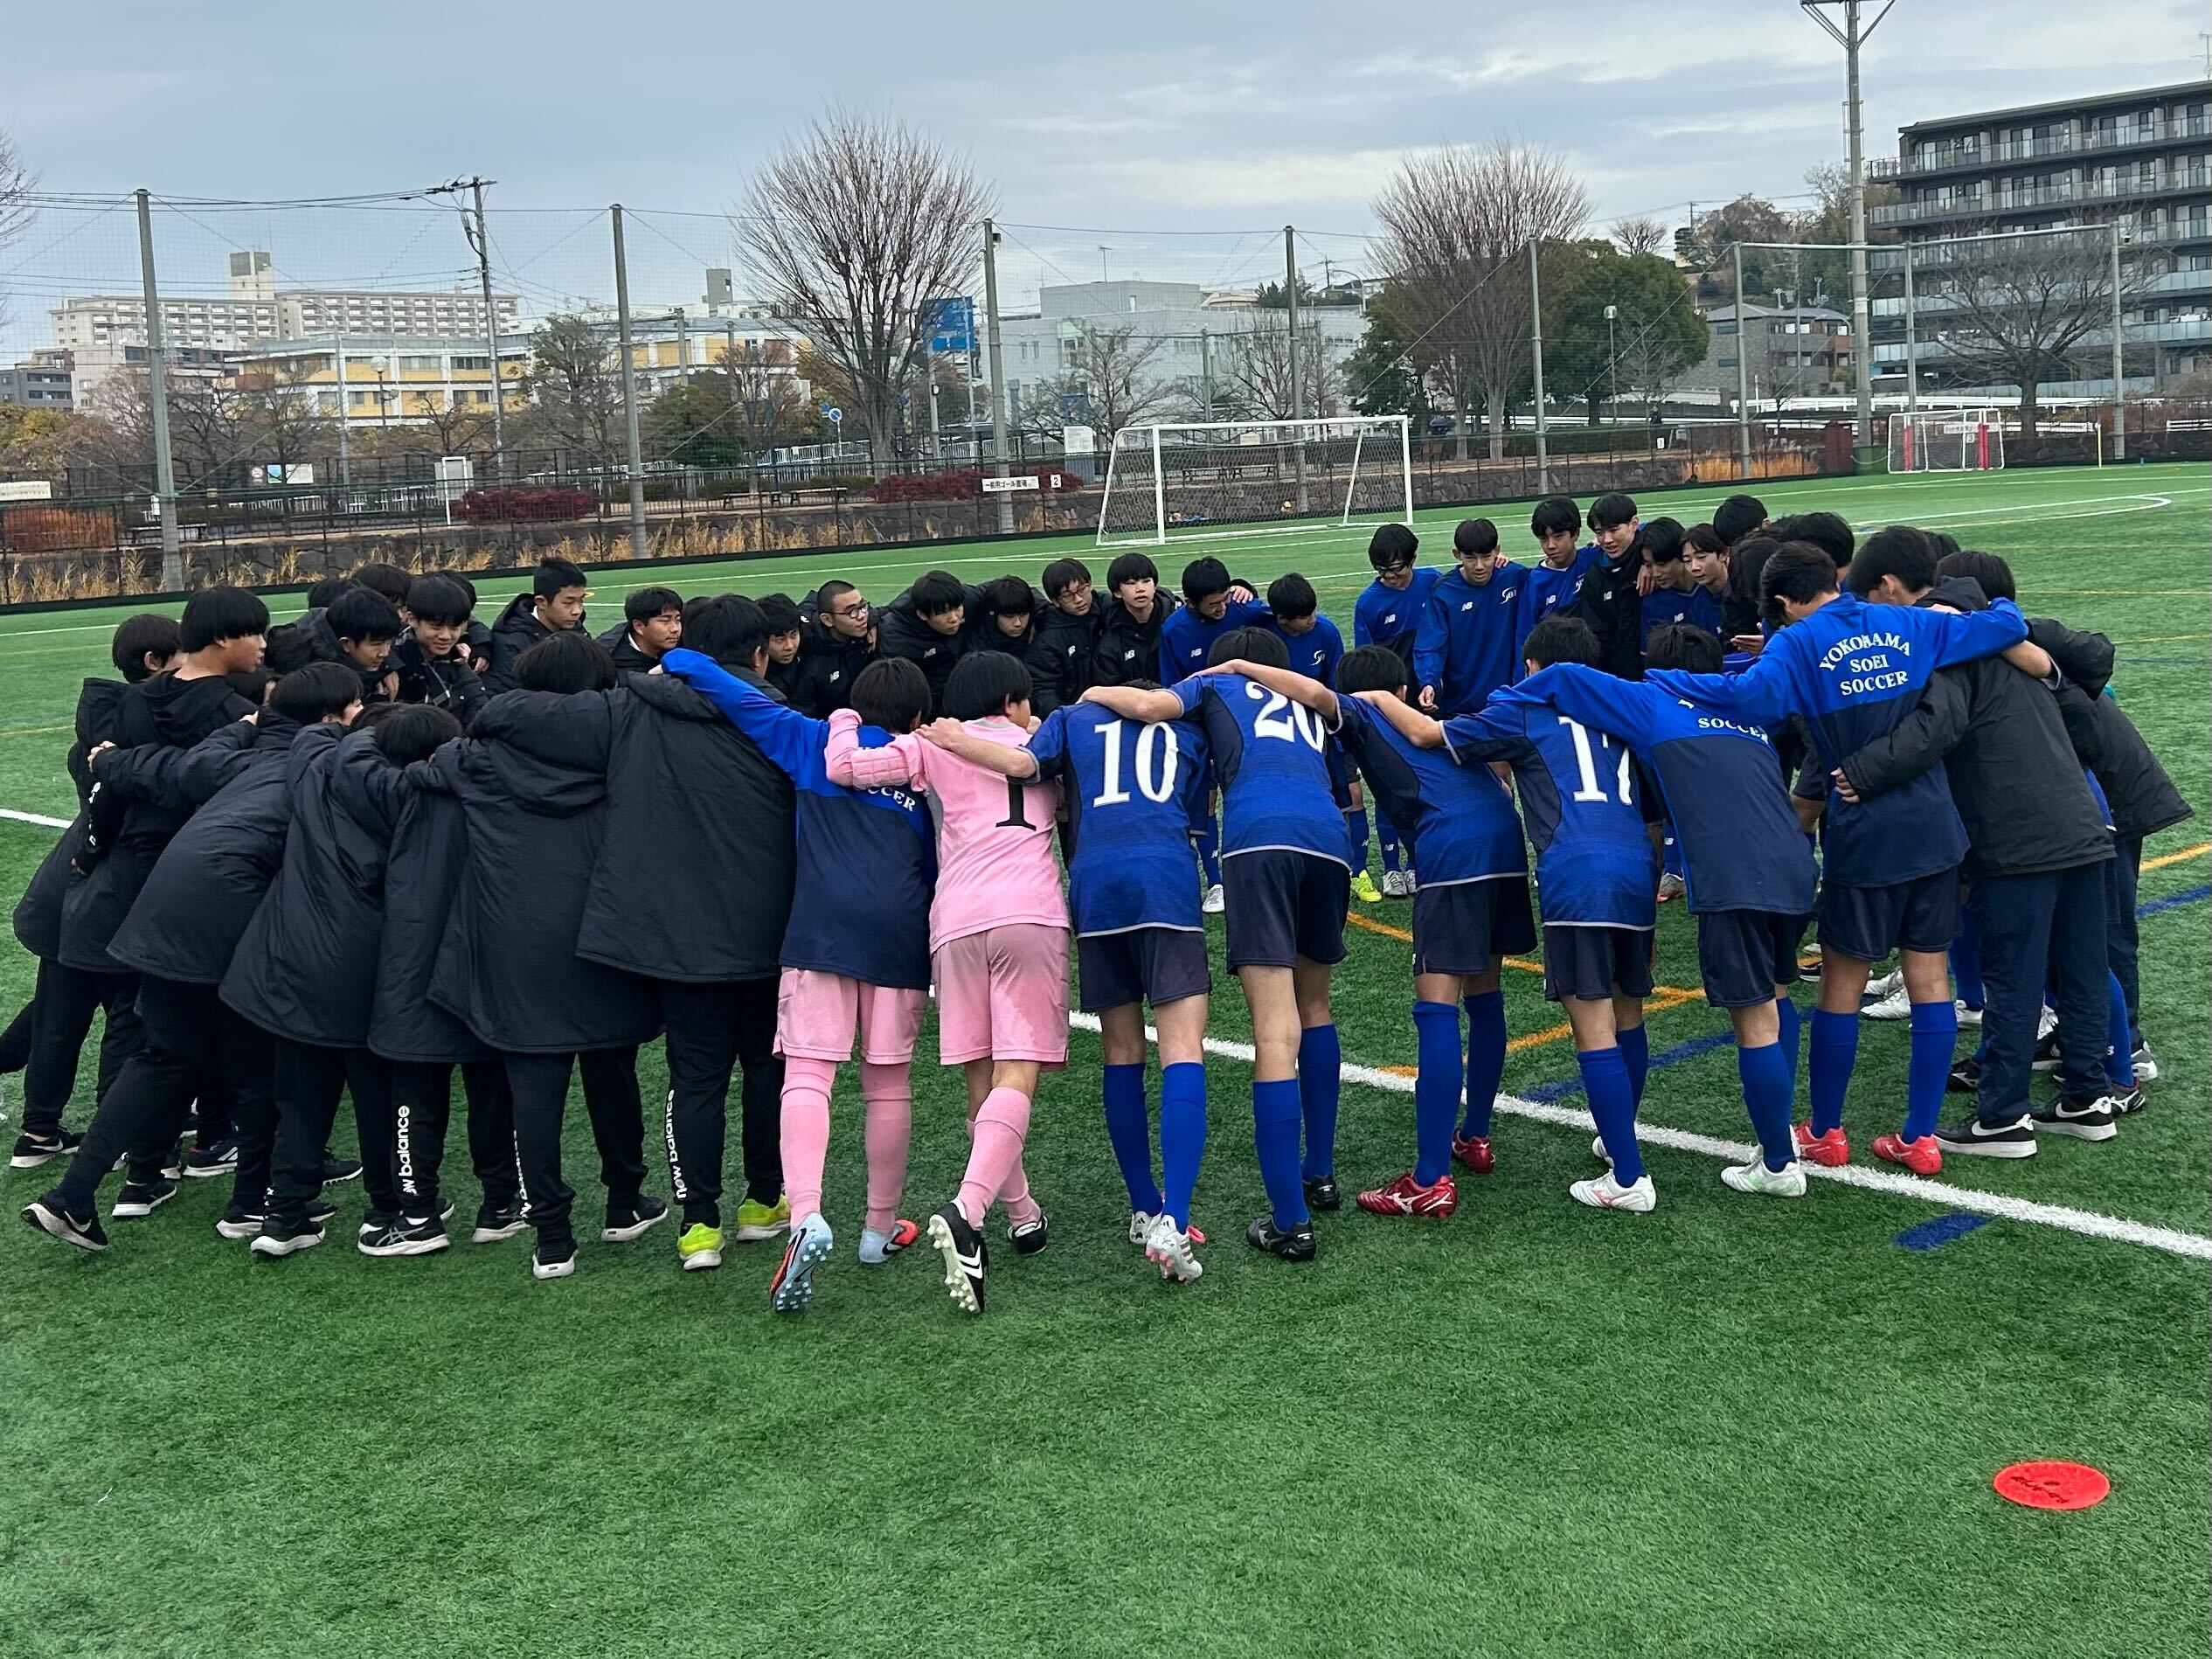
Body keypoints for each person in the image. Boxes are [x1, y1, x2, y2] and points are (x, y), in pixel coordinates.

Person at [1644, 537, 2039, 1176]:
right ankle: (1919, 1136)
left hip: (1863, 832)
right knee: (1930, 979)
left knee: (1841, 983)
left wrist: (1664, 678)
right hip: (1934, 828)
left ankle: (1827, 1130)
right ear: (1833, 578)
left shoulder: (1795, 643)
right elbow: (2007, 625)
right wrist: (1972, 612)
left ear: (1782, 601)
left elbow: (1749, 702)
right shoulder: (1906, 621)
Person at [21, 663, 363, 1253]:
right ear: (331, 718)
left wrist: (243, 726)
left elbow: (187, 764)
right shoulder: (322, 762)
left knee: (163, 1056)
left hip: (159, 916)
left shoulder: (244, 757)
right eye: (355, 707)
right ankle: (251, 1205)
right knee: (259, 1072)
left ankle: (72, 1196)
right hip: (221, 927)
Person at [654, 649, 936, 1313]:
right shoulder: (928, 761)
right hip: (899, 933)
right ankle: (877, 1230)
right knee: (887, 1083)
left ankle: (805, 1214)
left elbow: (741, 699)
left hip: (820, 932)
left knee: (808, 1074)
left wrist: (680, 657)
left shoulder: (811, 741)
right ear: (919, 714)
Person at [1493, 623, 1819, 1197]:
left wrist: (1509, 697)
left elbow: (1566, 678)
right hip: (1796, 861)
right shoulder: (1749, 711)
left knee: (1754, 1017)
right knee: (1775, 994)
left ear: (1658, 668)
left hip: (1732, 874)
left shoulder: (1657, 703)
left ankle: (1776, 1164)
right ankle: (1779, 1141)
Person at [1355, 614, 1661, 1212]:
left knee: (1592, 1023)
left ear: (1532, 667)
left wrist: (1376, 698)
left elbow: (1427, 736)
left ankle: (1628, 1175)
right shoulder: (1619, 714)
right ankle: (1616, 1138)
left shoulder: (1526, 708)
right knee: (1629, 1011)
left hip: (1577, 871)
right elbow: (1652, 815)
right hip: (1636, 868)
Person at [1214, 644, 1532, 1218]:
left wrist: (1241, 668)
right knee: (1485, 996)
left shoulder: (1365, 710)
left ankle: (1430, 1179)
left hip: (1452, 848)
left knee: (1436, 1007)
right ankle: (1474, 1136)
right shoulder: (1430, 721)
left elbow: (1316, 696)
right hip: (1506, 842)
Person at [1831, 550, 2124, 1160]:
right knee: (2079, 968)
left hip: (2017, 839)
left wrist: (1862, 770)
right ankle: (2087, 1096)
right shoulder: (2020, 654)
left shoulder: (1950, 650)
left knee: (2013, 977)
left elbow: (1933, 729)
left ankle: (2003, 1117)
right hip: (2079, 825)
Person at [926, 672, 1214, 1281]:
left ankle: (1144, 1206)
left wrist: (952, 738)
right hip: (1164, 880)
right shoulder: (1187, 730)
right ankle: (1176, 1217)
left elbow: (1024, 766)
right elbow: (1197, 815)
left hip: (1095, 889)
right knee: (1182, 1049)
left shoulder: (1071, 719)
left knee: (1121, 1051)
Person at [1084, 627, 1347, 1263]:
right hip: (1330, 840)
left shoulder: (1216, 683)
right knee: (1315, 1007)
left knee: (1274, 1032)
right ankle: (1320, 1170)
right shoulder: (1307, 700)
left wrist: (1091, 693)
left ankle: (1291, 1221)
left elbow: (1148, 706)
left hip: (1260, 838)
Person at [821, 650, 1070, 1317]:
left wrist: (844, 716)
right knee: (1017, 1073)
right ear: (1013, 699)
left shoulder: (932, 744)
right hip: (1029, 914)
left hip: (955, 922)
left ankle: (1022, 1213)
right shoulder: (1045, 743)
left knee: (979, 1076)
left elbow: (842, 766)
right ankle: (969, 1209)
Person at [558, 594, 798, 1267]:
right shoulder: (772, 716)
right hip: (764, 930)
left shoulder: (631, 707)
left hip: (676, 936)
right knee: (766, 1068)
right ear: (758, 654)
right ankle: (762, 1199)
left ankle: (699, 1223)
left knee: (695, 1078)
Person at [419, 630, 666, 1279]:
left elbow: (429, 766)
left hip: (515, 937)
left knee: (534, 1085)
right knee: (612, 1070)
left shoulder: (477, 754)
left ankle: (552, 1234)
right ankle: (623, 1202)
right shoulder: (627, 741)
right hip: (604, 931)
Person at [23, 591, 266, 1171]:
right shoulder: (231, 716)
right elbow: (198, 787)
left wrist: (92, 845)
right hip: (154, 885)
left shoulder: (125, 711)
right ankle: (153, 1149)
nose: (262, 645)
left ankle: (79, 1139)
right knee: (149, 1023)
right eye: (254, 633)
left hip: (100, 878)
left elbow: (108, 793)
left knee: (85, 1014)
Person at [225, 702, 453, 1258]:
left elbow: (313, 736)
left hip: (291, 961)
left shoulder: (318, 769)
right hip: (364, 969)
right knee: (377, 1095)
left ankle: (285, 1216)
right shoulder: (417, 801)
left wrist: (358, 730)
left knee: (301, 1095)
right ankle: (389, 1208)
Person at [8, 613, 181, 1168]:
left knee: (58, 1013)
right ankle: (120, 1135)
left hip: (69, 892)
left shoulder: (104, 723)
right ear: (154, 662)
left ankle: (39, 1132)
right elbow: (117, 814)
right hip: (101, 893)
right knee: (124, 1016)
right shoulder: (141, 728)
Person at [1352, 524, 1439, 898]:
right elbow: (1365, 663)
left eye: (1396, 569)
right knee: (1388, 784)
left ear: (1413, 560)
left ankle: (1418, 863)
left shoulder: (1433, 582)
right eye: (1382, 571)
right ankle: (1391, 867)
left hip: (1430, 699)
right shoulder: (1368, 603)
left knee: (1424, 783)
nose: (1389, 577)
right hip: (1390, 705)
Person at [1413, 518, 1526, 715]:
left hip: (1510, 701)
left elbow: (1548, 580)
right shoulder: (1443, 592)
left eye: (1486, 556)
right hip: (1461, 705)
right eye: (1470, 558)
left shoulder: (1515, 577)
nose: (1479, 566)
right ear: (1457, 554)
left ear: (1497, 551)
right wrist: (1428, 682)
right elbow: (1431, 644)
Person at [267, 586, 404, 703]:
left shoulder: (339, 624)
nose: (385, 653)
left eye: (388, 642)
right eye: (377, 644)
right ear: (346, 643)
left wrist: (389, 666)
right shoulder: (313, 679)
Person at [388, 573, 489, 726]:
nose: (445, 636)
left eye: (454, 627)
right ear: (412, 619)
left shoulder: (456, 658)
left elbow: (480, 708)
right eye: (436, 626)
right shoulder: (390, 663)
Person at [1568, 492, 1647, 679]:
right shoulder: (1596, 575)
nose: (1607, 539)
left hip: (1663, 675)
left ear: (1634, 524)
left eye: (1613, 530)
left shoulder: (1657, 559)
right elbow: (1597, 634)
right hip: (1619, 678)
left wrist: (1651, 563)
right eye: (1600, 532)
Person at [482, 556, 588, 693]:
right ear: (541, 602)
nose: (577, 611)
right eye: (568, 603)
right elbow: (506, 697)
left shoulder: (577, 630)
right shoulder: (510, 643)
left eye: (581, 601)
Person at [1157, 557, 1269, 685]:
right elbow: (1172, 683)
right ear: (1191, 603)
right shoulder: (1173, 631)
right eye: (1213, 604)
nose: (1222, 608)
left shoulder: (1243, 606)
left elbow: (1283, 615)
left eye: (1226, 598)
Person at [874, 569, 969, 713]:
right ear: (922, 614)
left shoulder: (962, 598)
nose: (954, 618)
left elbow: (999, 590)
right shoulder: (896, 639)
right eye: (944, 613)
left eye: (957, 608)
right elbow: (897, 693)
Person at [1516, 496, 1597, 649]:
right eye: (1544, 539)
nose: (1551, 545)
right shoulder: (1535, 582)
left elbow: (1637, 533)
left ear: (1575, 534)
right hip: (1556, 659)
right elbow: (1524, 636)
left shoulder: (1592, 557)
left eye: (1558, 536)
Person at [787, 580, 876, 718]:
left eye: (862, 606)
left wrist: (874, 620)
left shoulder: (865, 636)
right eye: (851, 611)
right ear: (827, 619)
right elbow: (805, 712)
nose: (862, 616)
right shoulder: (811, 658)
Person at [1092, 552, 1180, 687]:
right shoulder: (1111, 640)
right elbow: (1108, 689)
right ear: (1117, 592)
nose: (1140, 589)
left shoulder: (1176, 621)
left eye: (1146, 581)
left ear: (1155, 585)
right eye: (1131, 583)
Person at [1030, 557, 1101, 717]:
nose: (1079, 599)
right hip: (1072, 712)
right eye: (1068, 596)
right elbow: (1044, 689)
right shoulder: (1048, 638)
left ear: (1090, 584)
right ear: (1055, 601)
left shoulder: (1106, 610)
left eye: (1082, 589)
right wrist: (1064, 718)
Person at [1638, 518, 1723, 645]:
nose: (1656, 573)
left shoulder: (1710, 583)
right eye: (1648, 565)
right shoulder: (1652, 601)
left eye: (1662, 564)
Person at [1682, 524, 1751, 642]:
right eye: (1687, 561)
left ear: (1724, 554)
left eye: (1701, 557)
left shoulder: (1747, 594)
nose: (1694, 567)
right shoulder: (1697, 609)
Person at [599, 586, 683, 674]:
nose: (675, 629)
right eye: (665, 621)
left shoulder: (682, 641)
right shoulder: (610, 663)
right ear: (639, 626)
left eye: (678, 620)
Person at [757, 593, 807, 705]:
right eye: (780, 640)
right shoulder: (756, 674)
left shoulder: (810, 654)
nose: (789, 646)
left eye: (794, 635)